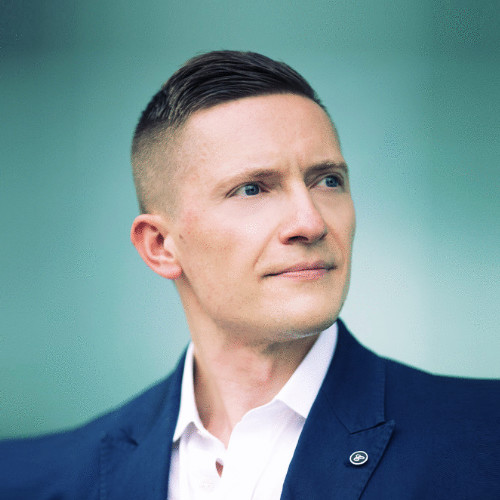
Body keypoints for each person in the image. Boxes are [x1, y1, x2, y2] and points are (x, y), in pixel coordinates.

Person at [1, 50, 499, 500]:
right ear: (160, 246)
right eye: (252, 189)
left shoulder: (485, 439)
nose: (311, 222)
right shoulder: (37, 479)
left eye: (328, 180)